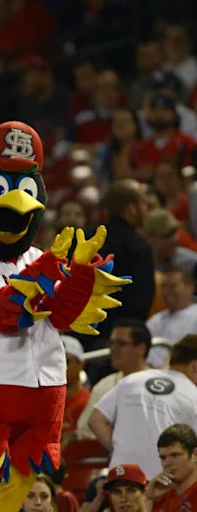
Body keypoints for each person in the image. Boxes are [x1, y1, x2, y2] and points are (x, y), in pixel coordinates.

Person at [89, 335, 197, 477]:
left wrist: (122, 449)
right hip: (164, 483)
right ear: (195, 366)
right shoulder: (194, 395)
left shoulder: (132, 379)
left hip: (120, 478)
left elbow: (95, 420)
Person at [96, 180, 157, 342]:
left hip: (80, 335)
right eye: (143, 204)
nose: (146, 210)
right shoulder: (139, 247)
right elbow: (140, 303)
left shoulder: (86, 238)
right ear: (131, 209)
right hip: (119, 340)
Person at [78, 319, 154, 439]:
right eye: (112, 343)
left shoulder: (159, 384)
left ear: (141, 348)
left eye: (121, 344)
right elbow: (84, 431)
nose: (113, 349)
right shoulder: (104, 385)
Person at [147, 424, 197, 512]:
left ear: (195, 455)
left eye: (175, 455)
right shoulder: (158, 495)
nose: (167, 463)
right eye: (163, 458)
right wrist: (148, 498)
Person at [146, 269, 197, 368]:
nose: (166, 292)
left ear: (190, 288)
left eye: (173, 286)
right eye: (164, 287)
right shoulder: (155, 320)